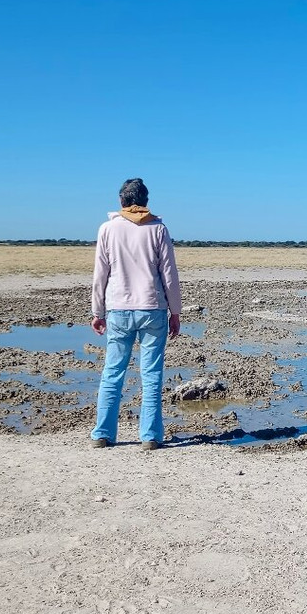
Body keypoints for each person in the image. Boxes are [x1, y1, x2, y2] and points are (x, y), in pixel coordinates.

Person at [90, 178, 182, 450]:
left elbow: (100, 274)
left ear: (121, 200)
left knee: (112, 372)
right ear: (145, 202)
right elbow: (169, 275)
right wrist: (175, 312)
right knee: (151, 374)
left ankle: (102, 435)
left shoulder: (108, 229)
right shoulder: (158, 229)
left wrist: (98, 311)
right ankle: (150, 437)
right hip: (153, 308)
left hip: (118, 308)